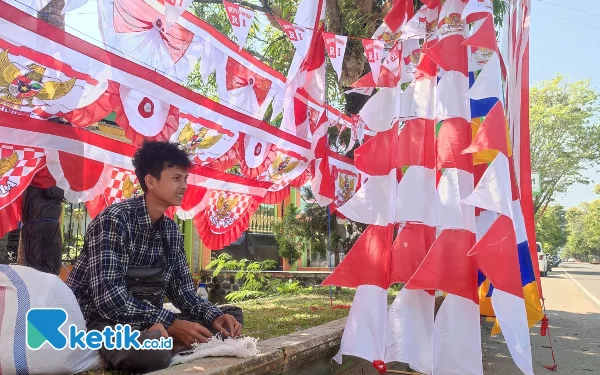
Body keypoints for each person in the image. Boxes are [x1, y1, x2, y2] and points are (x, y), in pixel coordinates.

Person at [66, 140, 243, 373]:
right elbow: (109, 300)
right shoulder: (114, 220)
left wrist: (212, 316)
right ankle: (172, 341)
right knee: (150, 354)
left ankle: (175, 339)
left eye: (185, 179)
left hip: (150, 319)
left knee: (230, 316)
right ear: (150, 181)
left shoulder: (171, 231)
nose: (184, 186)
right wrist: (171, 323)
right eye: (176, 178)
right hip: (102, 319)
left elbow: (184, 293)